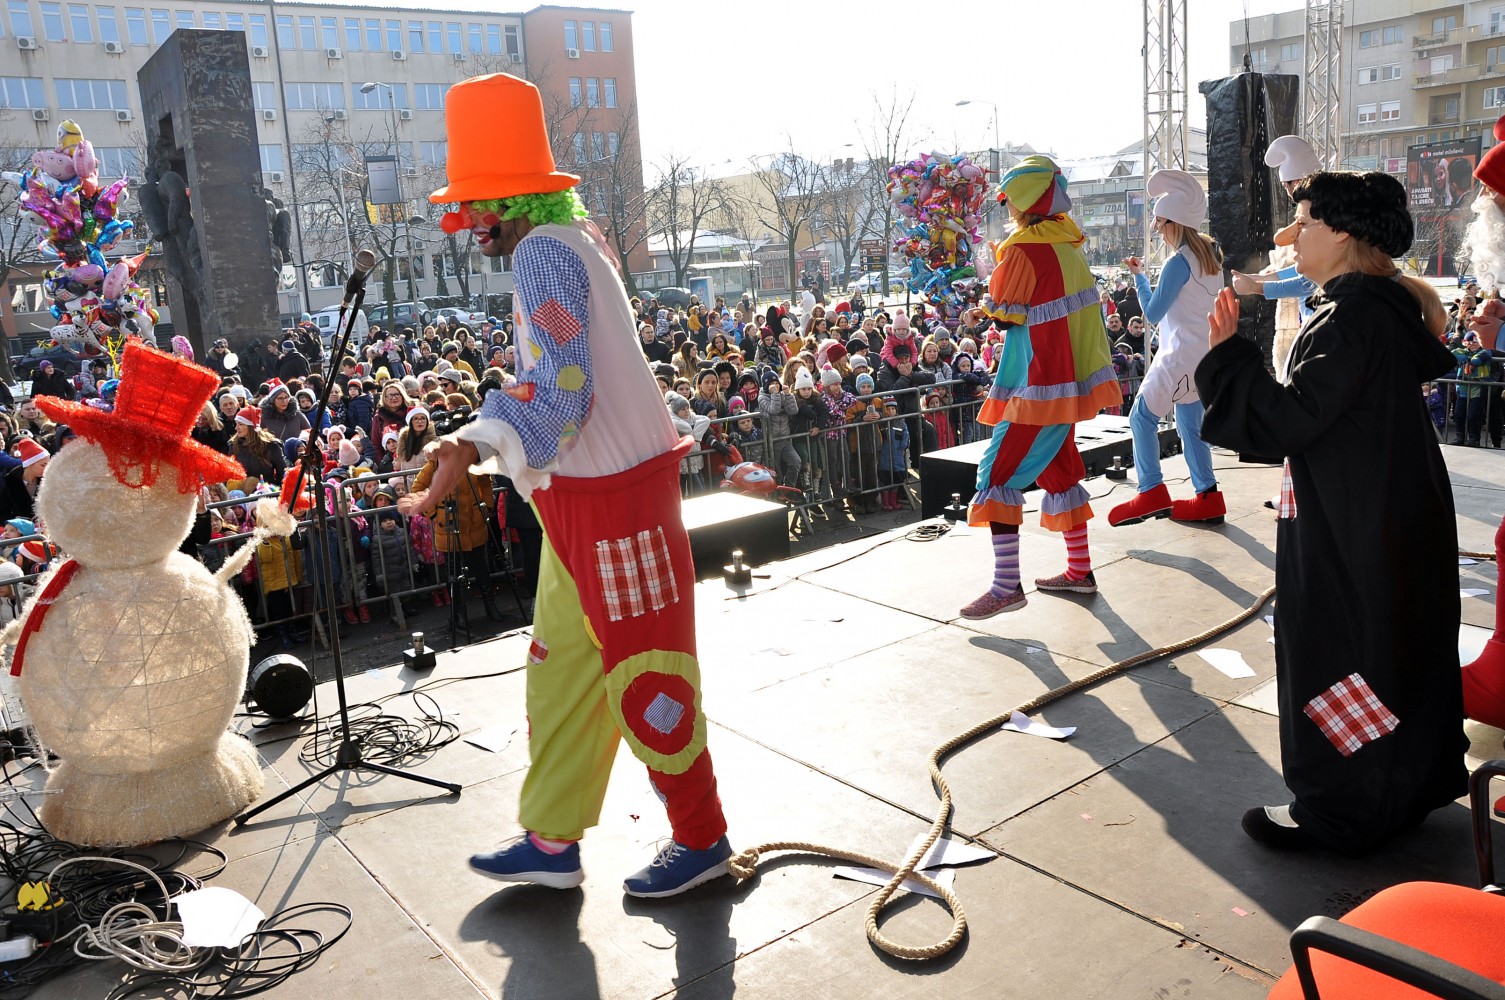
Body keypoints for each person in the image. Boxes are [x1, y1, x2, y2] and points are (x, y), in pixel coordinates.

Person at [402, 72, 730, 899]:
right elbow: (559, 379)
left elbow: (563, 389)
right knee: (562, 670)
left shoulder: (547, 253)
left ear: (516, 198)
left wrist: (468, 440)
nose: (467, 221)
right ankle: (551, 842)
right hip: (577, 501)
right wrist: (473, 438)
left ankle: (702, 838)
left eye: (478, 203)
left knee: (646, 669)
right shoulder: (571, 241)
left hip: (613, 504)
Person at [1196, 171, 1465, 854]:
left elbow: (1290, 420)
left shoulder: (1349, 318)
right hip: (1388, 514)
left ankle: (1347, 808)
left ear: (1342, 232)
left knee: (1345, 649)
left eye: (1305, 221)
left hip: (1353, 527)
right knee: (1397, 645)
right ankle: (1402, 787)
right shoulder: (1381, 309)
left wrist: (1228, 357)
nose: (1289, 237)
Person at [960, 156, 1121, 618]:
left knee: (994, 477)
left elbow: (1006, 312)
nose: (1007, 209)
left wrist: (981, 306)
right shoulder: (1069, 245)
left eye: (1010, 201)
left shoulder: (1021, 250)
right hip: (1067, 387)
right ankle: (1079, 571)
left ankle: (1006, 585)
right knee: (1060, 472)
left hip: (1036, 386)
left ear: (1023, 202)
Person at [1107, 169, 1226, 528]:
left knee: (1141, 417)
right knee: (1190, 424)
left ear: (1174, 222)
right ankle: (1208, 495)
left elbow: (1154, 313)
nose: (1157, 229)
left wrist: (1140, 278)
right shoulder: (1212, 257)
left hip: (1177, 355)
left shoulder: (1179, 262)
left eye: (1160, 221)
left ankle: (1151, 490)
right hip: (1204, 355)